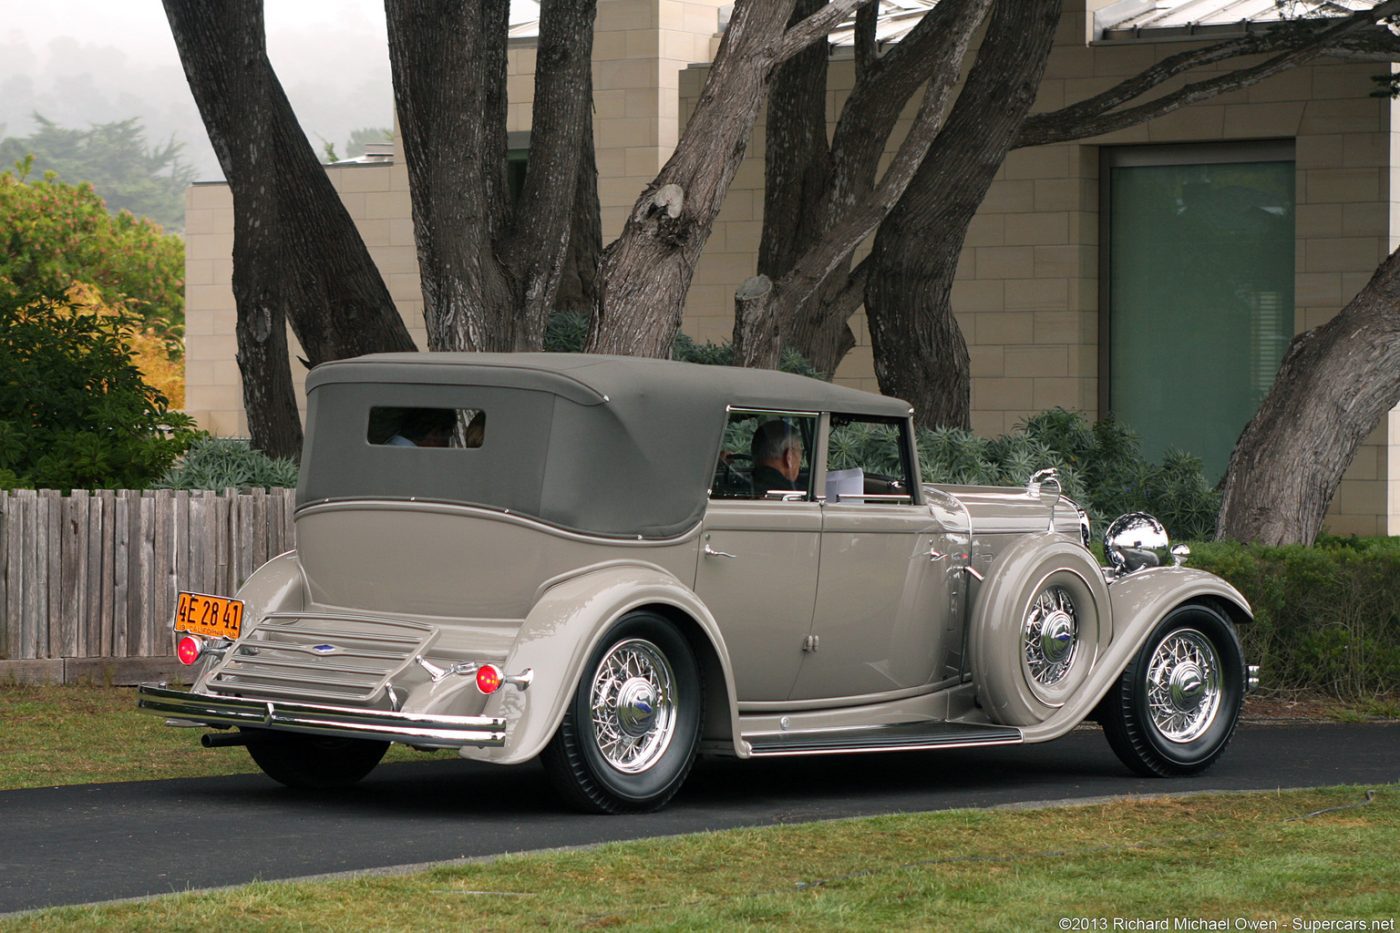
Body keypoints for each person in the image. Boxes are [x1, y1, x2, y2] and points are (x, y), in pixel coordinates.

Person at [749, 420, 804, 499]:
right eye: (800, 452)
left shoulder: (740, 484)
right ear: (789, 457)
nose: (800, 461)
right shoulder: (797, 495)